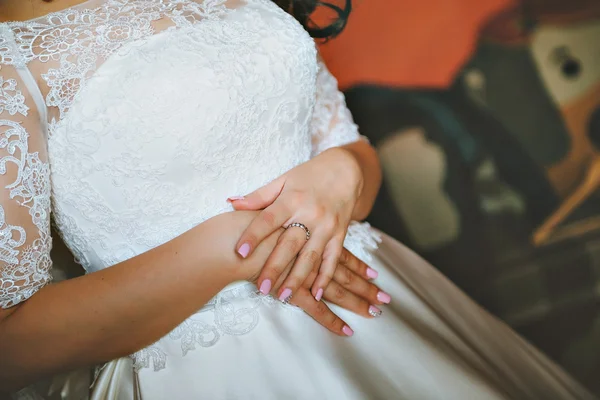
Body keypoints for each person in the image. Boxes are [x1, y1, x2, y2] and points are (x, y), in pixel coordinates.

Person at [0, 0, 594, 399]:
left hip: (374, 290)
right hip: (218, 367)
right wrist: (236, 247)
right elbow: (13, 346)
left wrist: (340, 174)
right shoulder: (13, 49)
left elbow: (354, 152)